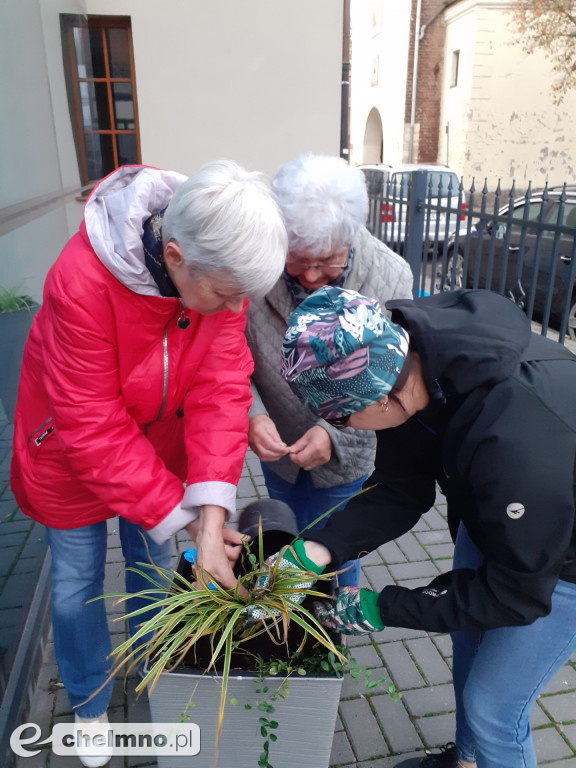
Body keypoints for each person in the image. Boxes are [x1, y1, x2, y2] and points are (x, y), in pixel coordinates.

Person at [10, 162, 287, 767]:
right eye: (227, 294)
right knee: (76, 583)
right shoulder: (80, 282)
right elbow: (91, 424)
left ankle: (153, 665)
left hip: (159, 440)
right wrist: (191, 523)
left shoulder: (219, 276)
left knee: (155, 560)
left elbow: (221, 389)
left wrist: (211, 518)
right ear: (175, 255)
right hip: (66, 450)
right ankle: (87, 703)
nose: (236, 307)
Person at [276, 286, 576, 768]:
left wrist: (382, 606)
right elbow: (401, 489)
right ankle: (467, 760)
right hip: (500, 519)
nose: (348, 428)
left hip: (559, 558)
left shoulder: (515, 436)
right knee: (469, 644)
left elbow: (514, 594)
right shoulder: (410, 361)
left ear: (378, 396)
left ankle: (487, 748)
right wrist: (317, 549)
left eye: (343, 418)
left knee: (494, 708)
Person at [245, 153, 413, 586]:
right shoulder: (256, 271)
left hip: (348, 455)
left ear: (351, 239)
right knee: (287, 540)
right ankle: (290, 635)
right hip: (277, 445)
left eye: (328, 262)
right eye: (298, 260)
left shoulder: (391, 279)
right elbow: (231, 359)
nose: (311, 276)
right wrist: (252, 414)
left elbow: (395, 388)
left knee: (337, 553)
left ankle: (331, 641)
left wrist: (335, 433)